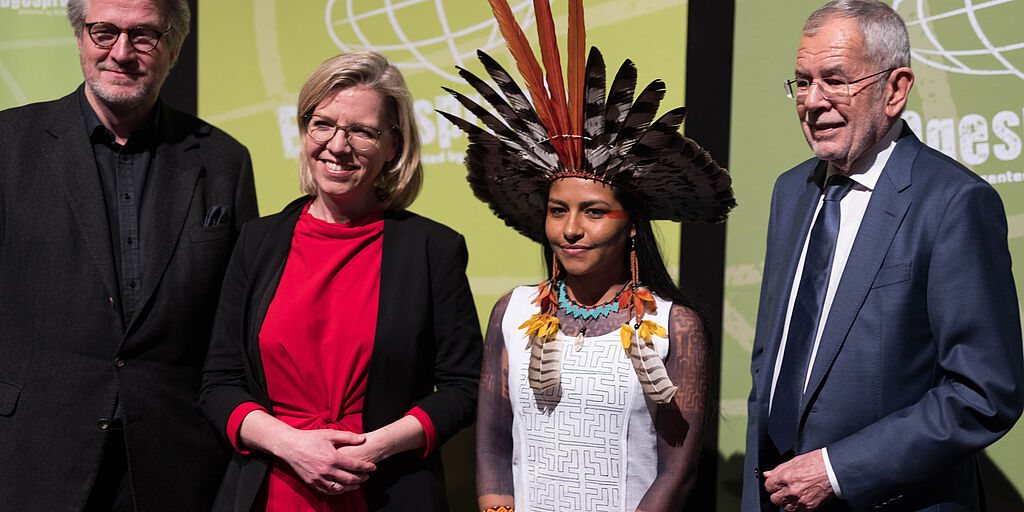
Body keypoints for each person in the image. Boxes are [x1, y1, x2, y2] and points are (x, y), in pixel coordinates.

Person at [439, 2, 735, 509]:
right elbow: (491, 447)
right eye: (558, 210)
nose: (571, 229)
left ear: (631, 226)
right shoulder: (511, 312)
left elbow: (676, 476)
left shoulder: (676, 327)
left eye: (594, 212)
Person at [743, 1, 1024, 511]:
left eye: (835, 80)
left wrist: (837, 470)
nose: (813, 101)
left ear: (895, 89)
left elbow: (985, 393)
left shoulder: (954, 202)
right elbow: (772, 363)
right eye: (803, 82)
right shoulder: (791, 191)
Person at [0, 0, 258, 510]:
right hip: (31, 452)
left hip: (175, 461)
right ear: (79, 37)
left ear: (174, 48)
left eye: (144, 35)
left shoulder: (224, 160)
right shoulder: (8, 145)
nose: (121, 52)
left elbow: (238, 325)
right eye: (104, 32)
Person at [198, 51, 481, 512]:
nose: (337, 145)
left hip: (385, 488)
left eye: (362, 132)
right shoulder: (256, 241)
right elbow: (219, 384)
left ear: (394, 146)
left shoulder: (434, 249)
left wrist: (375, 447)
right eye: (323, 124)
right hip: (271, 491)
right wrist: (291, 445)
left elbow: (464, 387)